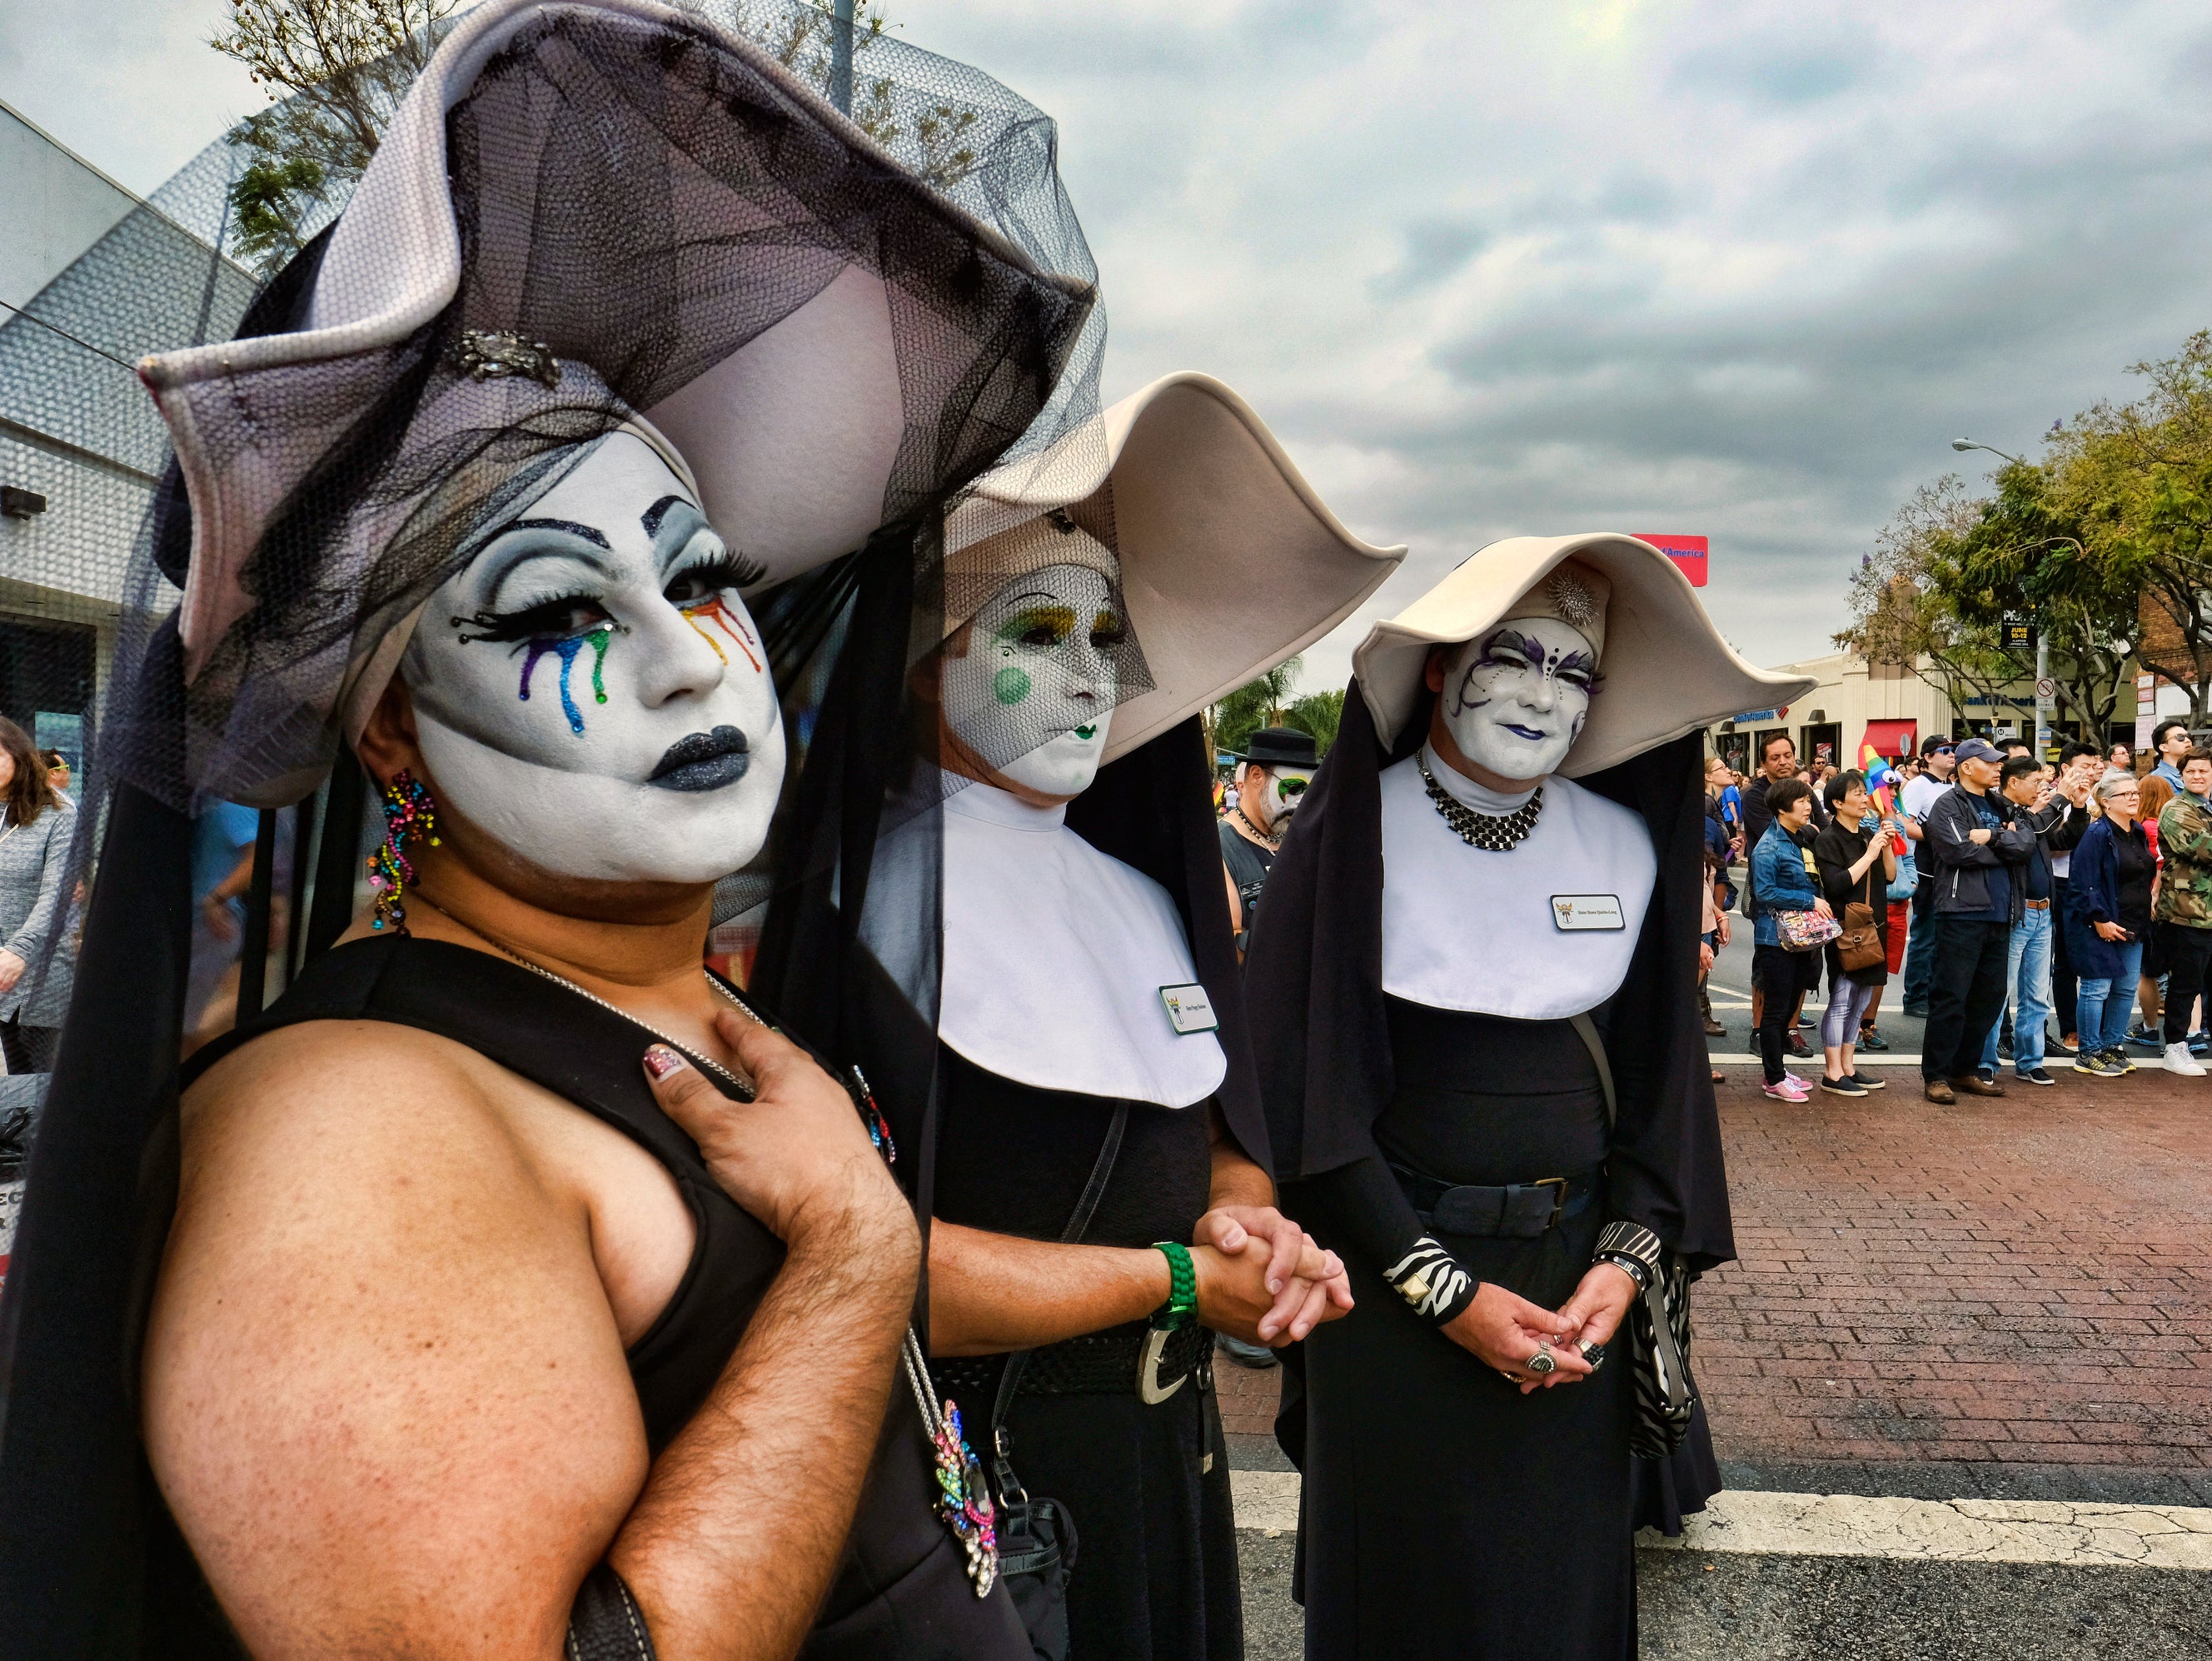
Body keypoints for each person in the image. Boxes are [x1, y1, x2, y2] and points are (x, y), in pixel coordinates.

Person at [0, 2, 1109, 1651]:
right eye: (554, 615)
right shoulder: (349, 1138)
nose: (683, 660)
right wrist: (848, 1263)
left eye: (700, 573)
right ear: (387, 723)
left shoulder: (676, 991)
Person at [821, 371, 1389, 1661]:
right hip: (969, 1486)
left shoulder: (1147, 896)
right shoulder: (845, 914)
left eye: (1106, 638)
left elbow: (1206, 1125)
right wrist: (1184, 1278)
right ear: (921, 665)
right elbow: (856, 1271)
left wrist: (1244, 1209)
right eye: (1034, 635)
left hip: (1162, 1466)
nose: (1091, 678)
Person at [1244, 533, 1811, 1659]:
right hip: (1394, 1296)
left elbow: (1661, 1091)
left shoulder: (1624, 847)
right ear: (1446, 666)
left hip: (1570, 1295)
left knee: (1556, 1595)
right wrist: (1445, 1290)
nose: (1546, 693)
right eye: (1518, 655)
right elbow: (1308, 1104)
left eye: (1575, 669)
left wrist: (1627, 1257)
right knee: (1403, 1595)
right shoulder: (1352, 838)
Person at [1919, 737, 2036, 1104]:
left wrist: (1994, 838)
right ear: (1967, 767)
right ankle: (1936, 1075)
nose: (1998, 766)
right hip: (1961, 912)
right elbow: (1959, 851)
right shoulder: (1947, 804)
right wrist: (2005, 846)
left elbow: (2028, 844)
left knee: (1988, 998)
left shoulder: (2001, 804)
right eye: (1990, 761)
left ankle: (1964, 1069)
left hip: (2001, 914)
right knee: (1951, 996)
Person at [1975, 756, 2064, 1087]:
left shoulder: (2028, 815)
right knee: (1999, 991)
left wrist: (2079, 807)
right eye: (2036, 782)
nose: (2041, 788)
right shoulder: (2000, 810)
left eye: (2045, 783)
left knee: (2037, 995)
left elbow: (2064, 838)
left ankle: (2030, 1061)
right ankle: (1986, 1061)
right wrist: (2060, 798)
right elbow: (2024, 844)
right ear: (2014, 782)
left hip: (2044, 912)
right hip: (2018, 910)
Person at [1811, 771, 1895, 1097]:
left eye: (1865, 793)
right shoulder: (1828, 839)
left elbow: (1888, 876)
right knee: (1842, 998)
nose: (1864, 799)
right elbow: (1836, 884)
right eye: (1857, 794)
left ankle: (1848, 1066)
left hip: (1873, 927)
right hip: (1846, 929)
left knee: (1861, 1000)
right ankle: (1832, 1072)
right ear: (1837, 802)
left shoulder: (1867, 834)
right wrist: (1871, 853)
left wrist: (1885, 846)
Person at [0, 716, 77, 1075]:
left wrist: (19, 950)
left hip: (41, 971)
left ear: (18, 754)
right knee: (16, 1085)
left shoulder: (57, 812)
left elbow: (58, 892)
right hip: (2, 976)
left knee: (43, 1083)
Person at [2067, 771, 2155, 1076]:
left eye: (2136, 793)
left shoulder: (2138, 831)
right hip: (2101, 924)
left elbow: (2144, 873)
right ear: (2105, 802)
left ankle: (2111, 1046)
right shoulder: (2096, 834)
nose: (2134, 798)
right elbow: (2082, 882)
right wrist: (2099, 918)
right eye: (2125, 794)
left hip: (2134, 924)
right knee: (2097, 988)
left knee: (2125, 987)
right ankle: (2088, 1051)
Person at [1751, 778, 1828, 1101]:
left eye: (1809, 800)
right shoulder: (1769, 846)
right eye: (1801, 801)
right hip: (1775, 939)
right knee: (1775, 1011)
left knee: (1787, 1011)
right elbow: (1765, 892)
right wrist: (1810, 902)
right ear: (1782, 808)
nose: (1809, 806)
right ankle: (1773, 1079)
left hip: (1799, 938)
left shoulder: (1801, 838)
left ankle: (1780, 1072)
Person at [1741, 731, 1816, 1056]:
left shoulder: (1803, 791)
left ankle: (1792, 1029)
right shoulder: (1756, 796)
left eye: (1788, 755)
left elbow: (1820, 832)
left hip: (1806, 891)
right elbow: (1773, 834)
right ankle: (1761, 1031)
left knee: (1805, 964)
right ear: (1763, 763)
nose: (1783, 761)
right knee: (1769, 969)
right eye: (1775, 757)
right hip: (1772, 900)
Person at [1221, 725, 1318, 959]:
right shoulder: (1221, 847)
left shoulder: (1304, 837)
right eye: (1294, 788)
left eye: (1311, 791)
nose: (1299, 803)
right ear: (1256, 776)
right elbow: (1230, 945)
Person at [2150, 749, 2212, 1075]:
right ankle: (2175, 1046)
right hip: (2189, 912)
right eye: (2191, 772)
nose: (2198, 776)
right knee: (2186, 984)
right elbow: (2204, 849)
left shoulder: (2208, 807)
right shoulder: (2177, 810)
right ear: (2183, 775)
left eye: (2203, 771)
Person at [2047, 741, 2104, 1052]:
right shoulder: (2053, 802)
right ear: (2065, 768)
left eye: (2095, 766)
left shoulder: (2103, 797)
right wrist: (2082, 826)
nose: (2091, 772)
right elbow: (2051, 846)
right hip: (2063, 883)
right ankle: (2070, 1028)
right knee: (2066, 961)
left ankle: (2100, 1030)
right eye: (2084, 766)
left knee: (2097, 959)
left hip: (2097, 887)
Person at [1898, 736, 1956, 1016]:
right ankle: (1915, 996)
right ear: (1928, 757)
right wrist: (1940, 838)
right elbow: (1905, 824)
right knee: (1925, 934)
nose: (1951, 755)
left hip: (1950, 869)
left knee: (1946, 937)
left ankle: (1934, 992)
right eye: (1945, 751)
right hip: (1926, 867)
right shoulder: (1918, 786)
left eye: (1953, 750)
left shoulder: (1953, 786)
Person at [2150, 718, 2192, 791]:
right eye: (2180, 737)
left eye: (2188, 736)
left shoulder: (2194, 775)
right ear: (2164, 747)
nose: (2188, 741)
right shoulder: (2157, 780)